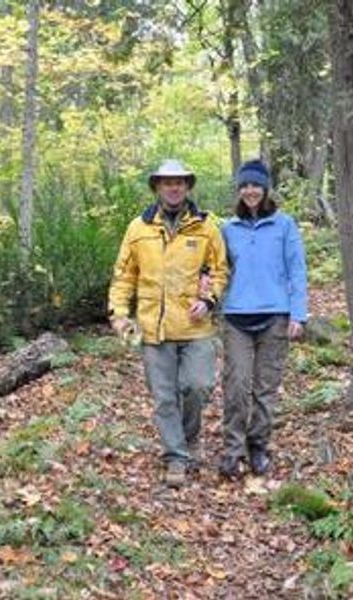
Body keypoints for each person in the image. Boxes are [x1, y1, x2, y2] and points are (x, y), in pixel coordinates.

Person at [108, 159, 228, 488]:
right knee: (163, 397)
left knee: (197, 386)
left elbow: (219, 271)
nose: (173, 187)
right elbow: (123, 276)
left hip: (196, 327)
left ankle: (190, 439)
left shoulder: (206, 227)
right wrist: (118, 313)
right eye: (166, 182)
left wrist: (209, 299)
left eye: (179, 182)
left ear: (187, 187)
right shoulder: (138, 228)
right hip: (152, 328)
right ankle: (176, 456)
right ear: (157, 187)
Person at [218, 159, 308, 479]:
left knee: (266, 388)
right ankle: (232, 450)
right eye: (244, 185)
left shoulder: (284, 225)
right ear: (239, 190)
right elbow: (216, 271)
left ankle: (258, 446)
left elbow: (297, 270)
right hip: (236, 317)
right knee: (237, 385)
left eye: (255, 185)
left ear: (265, 188)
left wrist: (299, 313)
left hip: (275, 316)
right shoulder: (228, 229)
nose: (250, 191)